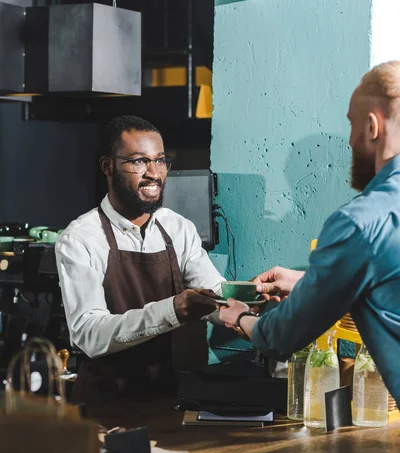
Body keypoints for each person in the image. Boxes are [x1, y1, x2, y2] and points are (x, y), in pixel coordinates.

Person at [219, 60, 400, 406]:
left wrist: (240, 317)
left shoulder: (360, 222)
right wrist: (307, 283)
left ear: (372, 126)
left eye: (352, 125)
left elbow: (281, 335)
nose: (349, 140)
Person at [55, 115, 224, 404]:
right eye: (138, 161)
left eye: (160, 160)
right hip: (107, 403)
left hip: (171, 396)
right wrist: (173, 310)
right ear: (107, 166)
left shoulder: (178, 228)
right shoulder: (80, 238)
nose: (153, 173)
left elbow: (215, 295)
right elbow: (89, 335)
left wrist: (253, 306)